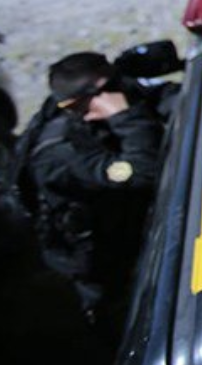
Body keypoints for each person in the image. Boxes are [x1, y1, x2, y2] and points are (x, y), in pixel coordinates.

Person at [14, 53, 164, 331]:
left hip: (117, 222)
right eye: (104, 91)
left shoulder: (88, 108)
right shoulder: (63, 152)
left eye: (114, 84)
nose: (115, 94)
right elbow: (140, 171)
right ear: (76, 104)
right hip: (96, 261)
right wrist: (125, 118)